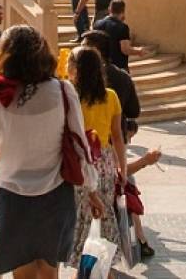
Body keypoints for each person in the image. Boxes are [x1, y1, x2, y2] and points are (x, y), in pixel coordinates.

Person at [0, 25, 100, 279]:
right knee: (49, 271)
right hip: (56, 195)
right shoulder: (64, 91)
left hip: (13, 197)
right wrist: (92, 190)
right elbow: (80, 147)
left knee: (22, 274)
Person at [66, 46, 126, 270]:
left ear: (77, 68)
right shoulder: (110, 96)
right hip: (105, 161)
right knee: (102, 213)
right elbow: (118, 136)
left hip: (80, 162)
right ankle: (101, 262)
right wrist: (123, 168)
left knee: (82, 215)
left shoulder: (70, 96)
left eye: (70, 63)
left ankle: (83, 263)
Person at [79, 31, 140, 140]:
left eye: (83, 48)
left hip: (92, 141)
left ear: (95, 51)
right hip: (116, 140)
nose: (79, 51)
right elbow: (133, 111)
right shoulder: (123, 76)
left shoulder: (82, 77)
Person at [92, 0, 150, 72]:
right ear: (123, 11)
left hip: (101, 66)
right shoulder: (122, 27)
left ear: (109, 9)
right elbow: (125, 49)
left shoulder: (97, 24)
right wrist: (139, 51)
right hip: (118, 68)